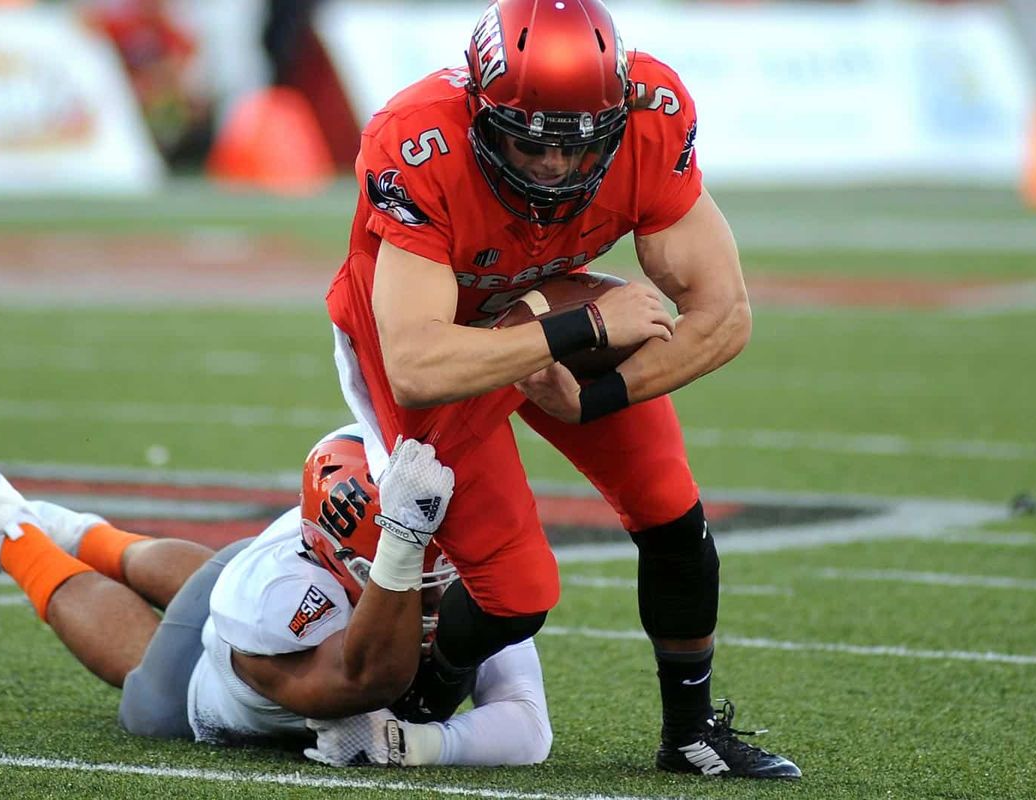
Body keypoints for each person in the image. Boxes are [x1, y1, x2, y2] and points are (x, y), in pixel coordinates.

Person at [325, 0, 799, 779]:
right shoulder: (417, 141)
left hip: (558, 305)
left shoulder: (653, 113)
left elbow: (724, 316)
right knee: (518, 592)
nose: (551, 168)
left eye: (577, 149)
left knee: (671, 509)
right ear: (480, 113)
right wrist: (577, 331)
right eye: (527, 142)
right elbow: (418, 362)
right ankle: (422, 697)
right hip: (436, 340)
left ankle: (690, 733)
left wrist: (596, 396)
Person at [0, 428, 552, 768]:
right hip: (216, 673)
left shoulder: (406, 549)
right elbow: (366, 678)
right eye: (416, 558)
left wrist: (415, 746)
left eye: (441, 557)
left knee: (208, 579)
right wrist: (401, 548)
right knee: (146, 683)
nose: (436, 582)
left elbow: (528, 726)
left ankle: (78, 531)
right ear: (347, 551)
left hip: (277, 573)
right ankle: (8, 532)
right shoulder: (277, 602)